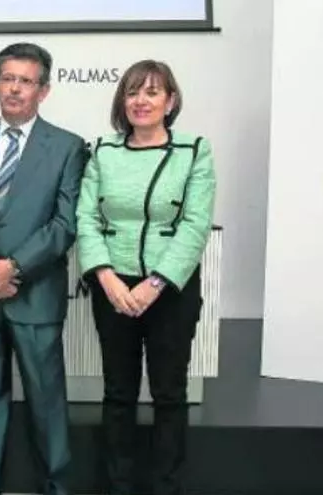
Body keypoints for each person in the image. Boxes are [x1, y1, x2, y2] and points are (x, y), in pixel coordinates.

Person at [0, 42, 85, 495]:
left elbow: (64, 224)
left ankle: (57, 488)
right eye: (7, 78)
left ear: (43, 91)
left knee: (47, 406)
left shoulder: (67, 147)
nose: (14, 89)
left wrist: (14, 268)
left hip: (35, 296)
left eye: (25, 81)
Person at [75, 59, 216, 495]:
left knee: (169, 394)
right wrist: (106, 277)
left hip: (169, 290)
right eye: (133, 92)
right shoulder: (102, 151)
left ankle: (165, 486)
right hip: (113, 288)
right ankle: (118, 485)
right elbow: (86, 218)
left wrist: (154, 284)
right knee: (118, 393)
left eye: (152, 92)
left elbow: (195, 224)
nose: (141, 101)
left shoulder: (194, 150)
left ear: (170, 101)